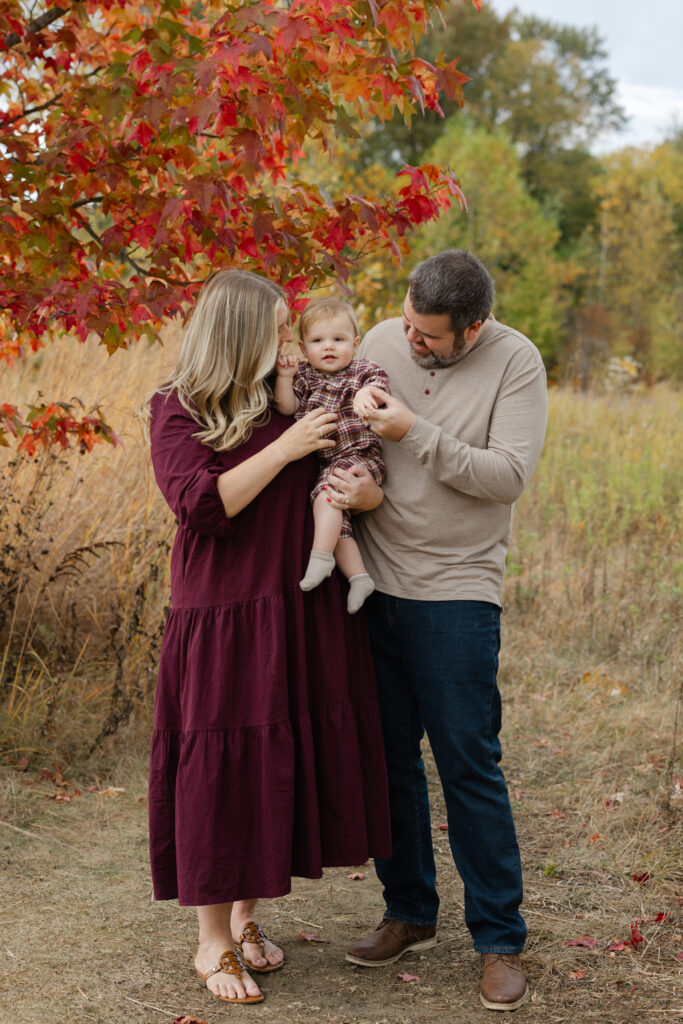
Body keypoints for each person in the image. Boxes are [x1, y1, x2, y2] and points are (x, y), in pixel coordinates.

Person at [145, 270, 391, 1006]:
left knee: (276, 759)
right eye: (278, 329)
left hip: (294, 604)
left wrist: (361, 486)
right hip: (222, 611)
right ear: (240, 331)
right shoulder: (176, 406)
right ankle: (210, 943)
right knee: (223, 764)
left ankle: (248, 918)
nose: (289, 342)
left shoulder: (290, 395)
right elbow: (200, 506)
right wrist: (285, 449)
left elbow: (347, 479)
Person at [336, 249, 548, 1011]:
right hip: (373, 581)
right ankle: (408, 910)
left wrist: (413, 431)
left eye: (428, 336)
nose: (410, 342)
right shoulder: (382, 341)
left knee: (467, 764)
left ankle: (498, 938)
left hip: (457, 590)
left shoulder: (515, 361)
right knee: (388, 758)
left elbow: (506, 477)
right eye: (408, 324)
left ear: (474, 326)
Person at [274, 297, 391, 614]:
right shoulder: (305, 376)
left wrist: (367, 393)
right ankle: (359, 577)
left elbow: (379, 384)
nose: (329, 347)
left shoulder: (361, 371)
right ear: (302, 346)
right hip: (330, 462)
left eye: (338, 340)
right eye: (317, 340)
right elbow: (288, 408)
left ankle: (320, 559)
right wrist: (285, 379)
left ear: (354, 343)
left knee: (324, 496)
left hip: (360, 457)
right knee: (338, 523)